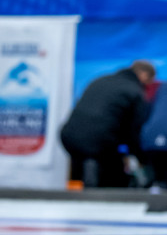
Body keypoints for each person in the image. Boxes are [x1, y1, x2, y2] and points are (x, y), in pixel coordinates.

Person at [60, 60, 155, 188]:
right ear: (144, 75)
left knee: (79, 178)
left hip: (68, 137)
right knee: (114, 180)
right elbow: (134, 131)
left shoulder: (100, 80)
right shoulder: (135, 91)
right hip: (99, 142)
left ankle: (74, 195)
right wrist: (141, 159)